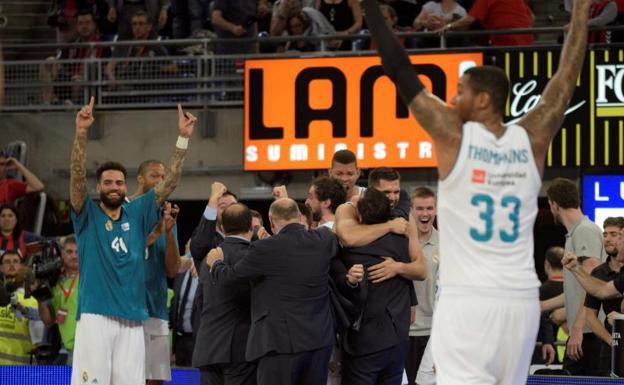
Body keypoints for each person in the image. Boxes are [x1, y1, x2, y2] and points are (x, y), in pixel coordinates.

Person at [361, 0, 590, 382]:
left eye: (461, 91)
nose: (453, 99)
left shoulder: (453, 137)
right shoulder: (531, 139)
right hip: (519, 302)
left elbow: (398, 67)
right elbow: (566, 78)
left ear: (483, 100)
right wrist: (580, 12)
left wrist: (369, 7)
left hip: (468, 301)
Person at [69, 97, 195, 385]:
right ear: (98, 187)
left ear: (126, 186)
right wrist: (80, 133)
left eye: (119, 183)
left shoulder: (137, 213)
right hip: (95, 316)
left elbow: (170, 182)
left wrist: (183, 139)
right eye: (108, 183)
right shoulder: (86, 214)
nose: (114, 187)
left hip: (134, 318)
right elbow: (76, 179)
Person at [206, 198, 339, 385]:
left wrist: (216, 263)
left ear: (271, 219)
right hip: (319, 342)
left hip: (279, 344)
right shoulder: (323, 239)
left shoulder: (265, 248)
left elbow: (231, 277)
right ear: (299, 217)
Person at [338, 188, 425, 385]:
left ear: (359, 215)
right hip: (397, 341)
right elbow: (421, 270)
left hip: (364, 345)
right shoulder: (403, 241)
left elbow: (346, 232)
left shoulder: (351, 249)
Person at [128, 159, 182, 385]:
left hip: (156, 309)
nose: (161, 182)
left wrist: (168, 232)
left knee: (155, 380)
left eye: (163, 177)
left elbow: (172, 270)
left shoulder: (166, 218)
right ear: (140, 179)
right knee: (126, 377)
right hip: (127, 310)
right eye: (154, 176)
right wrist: (157, 231)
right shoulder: (123, 210)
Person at [545, 177, 606, 375]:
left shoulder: (584, 231)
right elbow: (576, 291)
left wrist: (577, 329)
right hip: (586, 332)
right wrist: (541, 307)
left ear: (554, 204)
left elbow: (592, 285)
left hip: (589, 333)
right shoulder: (577, 234)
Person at [193, 203, 257, 385]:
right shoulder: (253, 256)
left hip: (207, 348)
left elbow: (200, 301)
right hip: (240, 351)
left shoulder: (209, 257)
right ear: (251, 225)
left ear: (222, 227)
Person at [405, 187, 438, 385]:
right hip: (405, 332)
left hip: (436, 333)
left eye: (429, 208)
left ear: (436, 210)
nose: (425, 214)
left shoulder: (447, 244)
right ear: (410, 210)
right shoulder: (400, 243)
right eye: (419, 208)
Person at [583, 217, 624, 376]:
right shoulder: (598, 273)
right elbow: (590, 316)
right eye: (605, 234)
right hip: (610, 352)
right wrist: (612, 342)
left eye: (614, 234)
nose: (607, 239)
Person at [38, 236, 80, 366]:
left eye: (78, 252)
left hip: (89, 344)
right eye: (69, 252)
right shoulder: (55, 284)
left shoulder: (90, 277)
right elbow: (49, 320)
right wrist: (40, 296)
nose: (74, 256)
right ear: (61, 255)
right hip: (68, 348)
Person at [0, 250, 45, 365]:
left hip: (20, 371)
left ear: (22, 267)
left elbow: (39, 343)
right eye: (7, 262)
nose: (11, 265)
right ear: (1, 267)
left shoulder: (33, 301)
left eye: (15, 261)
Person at [170, 241, 199, 367]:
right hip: (180, 340)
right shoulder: (180, 274)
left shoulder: (204, 273)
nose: (189, 250)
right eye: (187, 246)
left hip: (197, 341)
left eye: (192, 247)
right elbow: (175, 306)